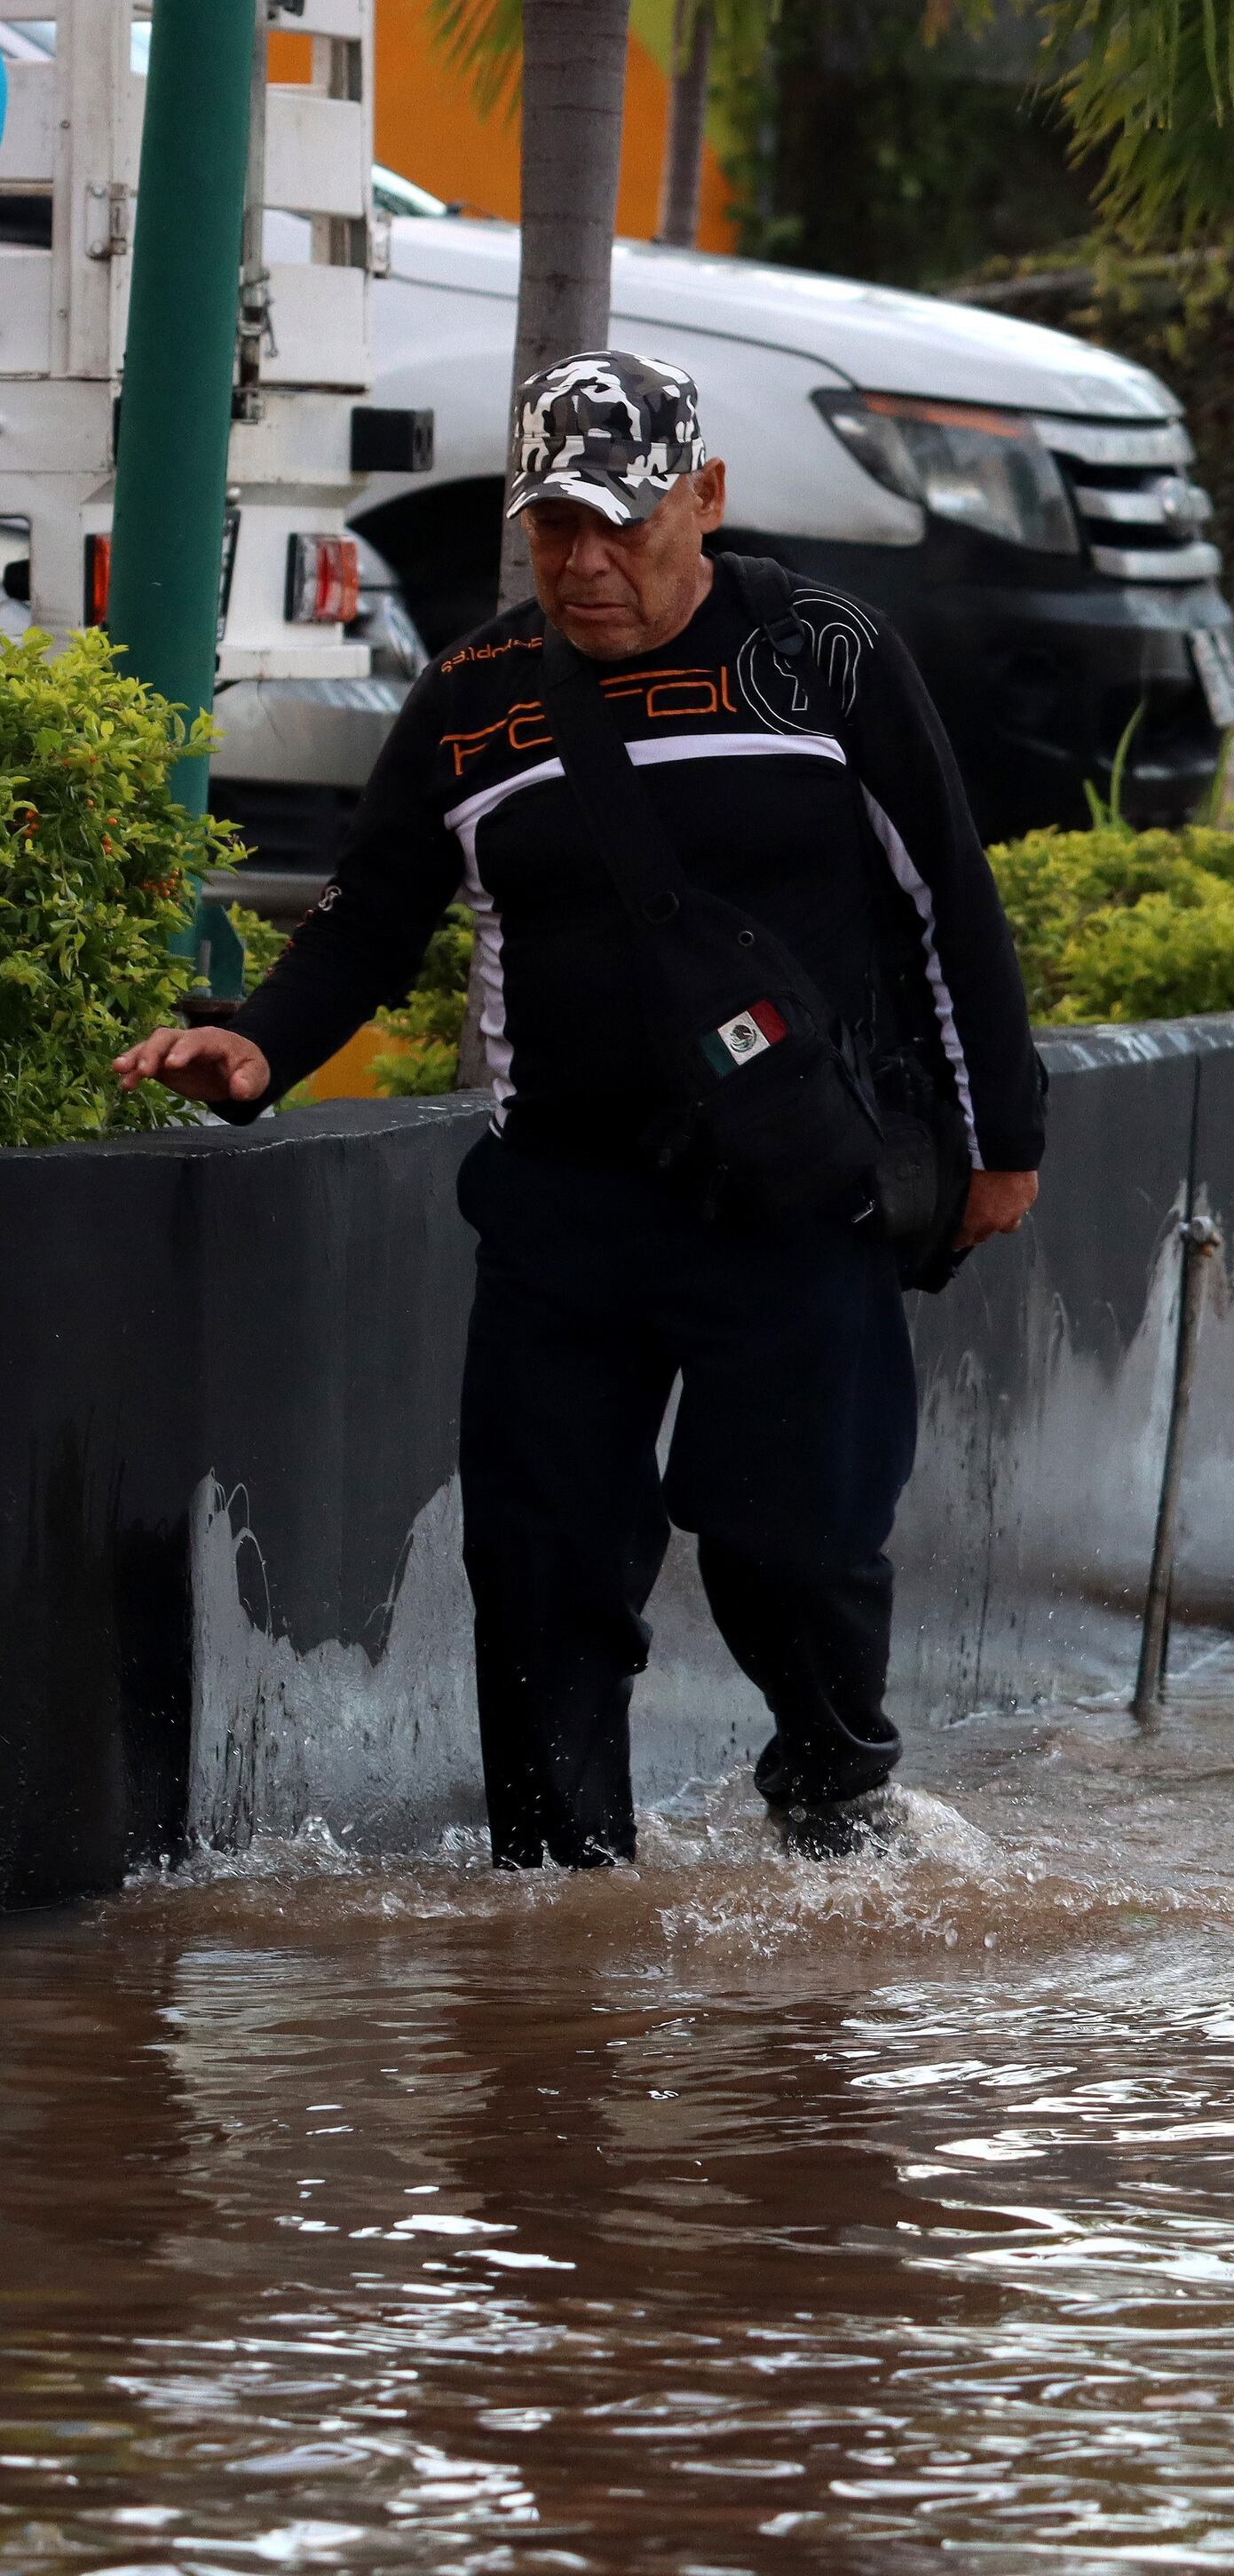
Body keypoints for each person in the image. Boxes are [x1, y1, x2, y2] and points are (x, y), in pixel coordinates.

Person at [111, 353, 1047, 1869]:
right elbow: (369, 917)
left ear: (707, 501)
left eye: (622, 522)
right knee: (541, 1559)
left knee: (787, 1539)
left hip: (795, 1196)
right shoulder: (477, 700)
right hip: (562, 1205)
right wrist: (262, 1047)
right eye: (556, 527)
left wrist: (1003, 1137)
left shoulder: (824, 656)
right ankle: (560, 1889)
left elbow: (950, 899)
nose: (588, 561)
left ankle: (835, 1791)